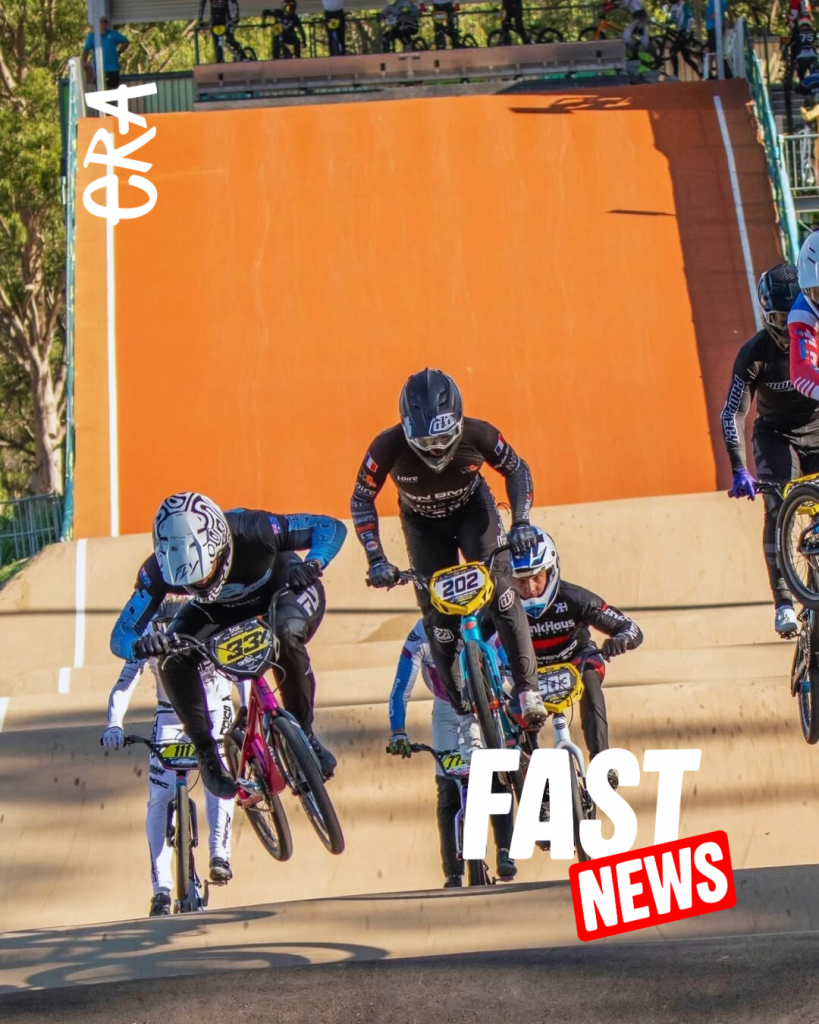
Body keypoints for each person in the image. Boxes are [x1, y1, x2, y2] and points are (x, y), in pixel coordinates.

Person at [351, 368, 546, 764]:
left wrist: (522, 522)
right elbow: (361, 499)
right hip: (423, 527)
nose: (438, 449)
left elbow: (516, 469)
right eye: (426, 442)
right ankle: (464, 716)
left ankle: (528, 691)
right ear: (407, 432)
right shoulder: (385, 447)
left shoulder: (480, 434)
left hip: (473, 512)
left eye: (444, 438)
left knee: (502, 593)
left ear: (459, 423)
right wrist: (376, 558)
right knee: (438, 620)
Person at [110, 492, 347, 798]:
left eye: (206, 572)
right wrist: (141, 645)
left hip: (282, 588)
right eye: (190, 582)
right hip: (218, 610)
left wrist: (314, 562)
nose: (201, 585)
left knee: (285, 634)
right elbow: (122, 633)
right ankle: (207, 755)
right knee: (171, 658)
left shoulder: (253, 528)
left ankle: (305, 735)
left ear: (220, 546)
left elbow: (329, 527)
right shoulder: (156, 570)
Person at [102, 598, 246, 917]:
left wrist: (246, 710)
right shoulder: (147, 633)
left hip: (215, 709)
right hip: (170, 714)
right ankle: (161, 891)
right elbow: (125, 683)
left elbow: (241, 672)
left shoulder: (211, 620)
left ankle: (219, 854)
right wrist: (113, 724)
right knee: (159, 797)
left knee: (218, 777)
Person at [503, 527, 642, 782]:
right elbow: (476, 640)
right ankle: (532, 779)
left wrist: (620, 640)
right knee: (511, 715)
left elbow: (630, 627)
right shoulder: (504, 606)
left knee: (589, 680)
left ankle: (601, 763)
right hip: (530, 674)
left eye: (537, 577)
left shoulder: (575, 598)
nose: (530, 588)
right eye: (520, 581)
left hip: (576, 660)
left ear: (551, 570)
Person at [387, 620, 517, 886]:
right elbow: (400, 689)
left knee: (498, 775)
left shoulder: (480, 623)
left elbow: (510, 666)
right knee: (449, 787)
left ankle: (505, 851)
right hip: (447, 710)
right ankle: (453, 872)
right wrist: (398, 731)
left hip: (486, 703)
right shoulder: (422, 632)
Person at [724, 263, 810, 636]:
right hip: (777, 436)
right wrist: (739, 468)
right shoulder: (754, 354)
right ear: (765, 315)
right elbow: (733, 413)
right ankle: (784, 603)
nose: (787, 328)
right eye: (778, 319)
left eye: (792, 316)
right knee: (776, 508)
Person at [82, 16, 129, 89]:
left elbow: (126, 42)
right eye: (102, 22)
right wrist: (83, 64)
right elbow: (86, 51)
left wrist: (119, 52)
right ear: (97, 24)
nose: (104, 24)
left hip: (113, 68)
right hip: (99, 69)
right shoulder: (92, 36)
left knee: (113, 90)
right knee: (100, 89)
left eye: (105, 22)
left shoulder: (113, 34)